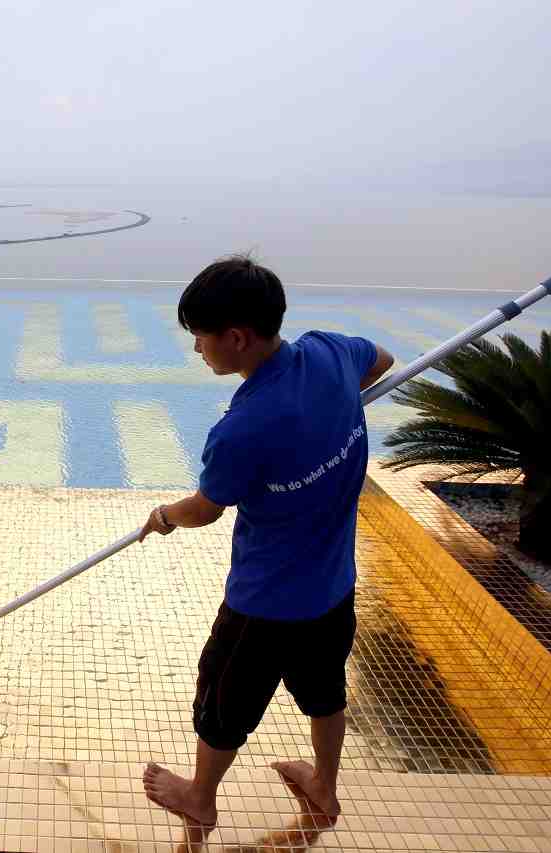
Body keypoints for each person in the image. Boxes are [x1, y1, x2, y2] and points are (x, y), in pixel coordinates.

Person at [137, 254, 394, 832]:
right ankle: (323, 787)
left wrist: (164, 514)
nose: (197, 350)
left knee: (224, 703)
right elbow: (382, 359)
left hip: (265, 603)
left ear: (236, 337)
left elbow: (205, 509)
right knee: (325, 692)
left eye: (200, 339)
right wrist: (334, 407)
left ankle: (200, 797)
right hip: (333, 587)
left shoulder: (242, 429)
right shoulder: (330, 352)